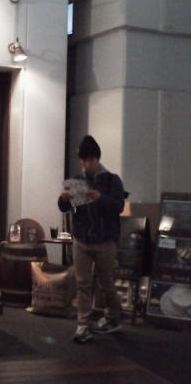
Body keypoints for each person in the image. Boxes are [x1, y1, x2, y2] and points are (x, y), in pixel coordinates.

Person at [58, 135, 125, 344]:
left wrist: (100, 198)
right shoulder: (78, 180)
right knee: (83, 283)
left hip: (105, 241)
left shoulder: (112, 180)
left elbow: (119, 206)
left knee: (106, 283)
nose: (86, 165)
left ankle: (114, 317)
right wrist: (63, 199)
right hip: (81, 239)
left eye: (89, 160)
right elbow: (65, 208)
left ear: (97, 159)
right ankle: (83, 325)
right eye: (83, 161)